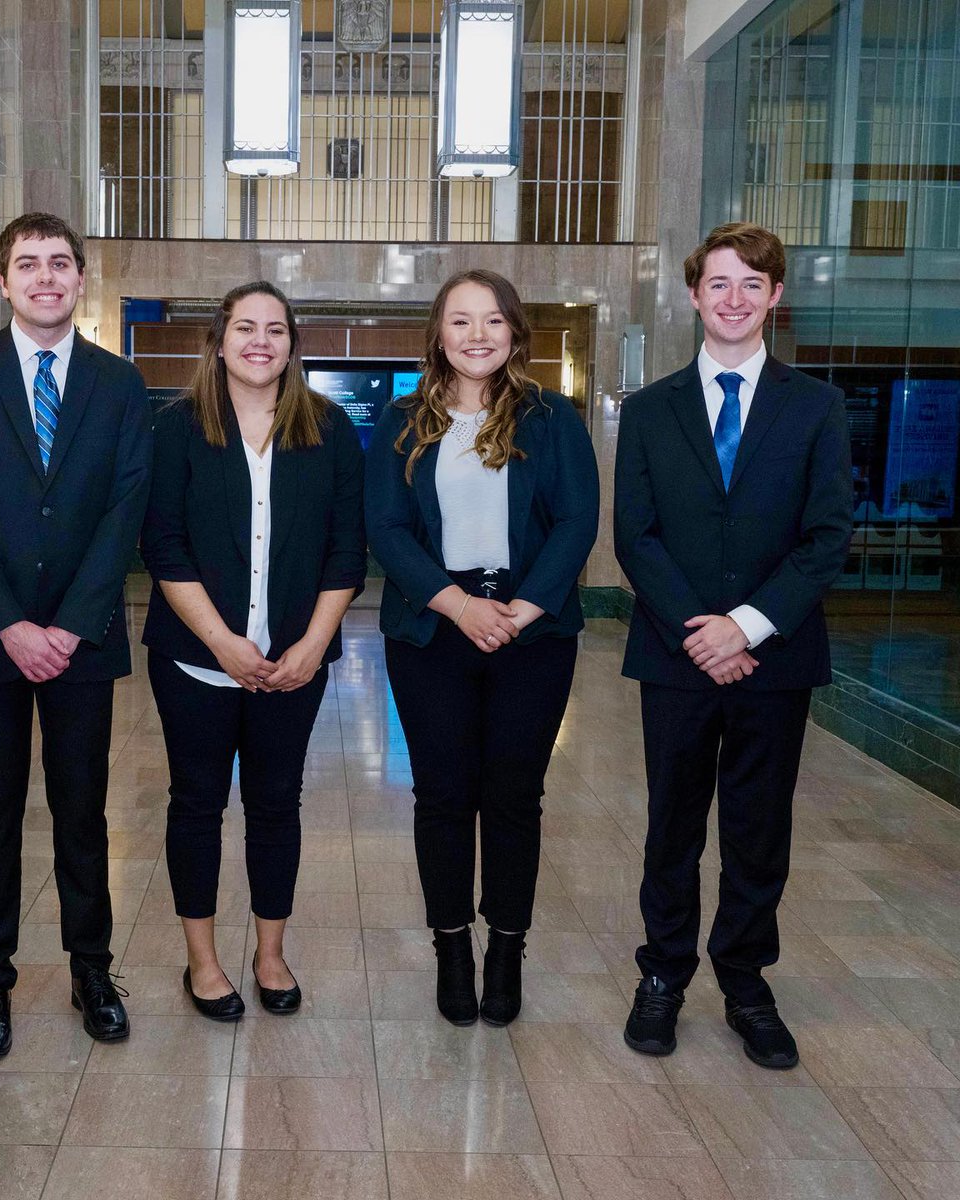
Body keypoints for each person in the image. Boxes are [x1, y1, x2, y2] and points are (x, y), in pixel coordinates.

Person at [615, 222, 852, 1069]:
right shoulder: (650, 410)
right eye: (719, 283)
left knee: (759, 829)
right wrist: (702, 633)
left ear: (775, 296)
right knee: (671, 827)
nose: (734, 298)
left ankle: (746, 984)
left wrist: (746, 626)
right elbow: (635, 536)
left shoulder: (816, 406)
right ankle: (663, 975)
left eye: (753, 283)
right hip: (676, 656)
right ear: (693, 295)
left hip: (774, 659)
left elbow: (827, 536)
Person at [0, 212, 152, 1057]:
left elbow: (125, 508)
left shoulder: (119, 383)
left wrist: (68, 625)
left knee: (82, 810)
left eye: (60, 263)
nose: (45, 277)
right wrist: (12, 625)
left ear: (80, 279)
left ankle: (93, 970)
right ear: (3, 280)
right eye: (29, 264)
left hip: (83, 640)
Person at [366, 269, 599, 1027]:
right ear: (438, 333)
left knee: (513, 795)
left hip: (533, 629)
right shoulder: (402, 420)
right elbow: (386, 529)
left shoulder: (553, 418)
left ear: (515, 333)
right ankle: (451, 949)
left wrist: (519, 611)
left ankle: (506, 949)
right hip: (432, 626)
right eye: (461, 320)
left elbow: (577, 522)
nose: (477, 335)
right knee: (441, 795)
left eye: (493, 320)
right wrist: (461, 606)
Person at [141, 281, 366, 1021]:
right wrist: (223, 644)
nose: (260, 341)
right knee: (196, 806)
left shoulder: (328, 429)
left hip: (295, 666)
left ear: (292, 344)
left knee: (276, 806)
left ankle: (271, 956)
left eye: (275, 329)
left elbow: (347, 550)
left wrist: (313, 645)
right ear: (219, 341)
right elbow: (163, 546)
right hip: (194, 662)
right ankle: (202, 964)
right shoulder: (176, 429)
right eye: (245, 327)